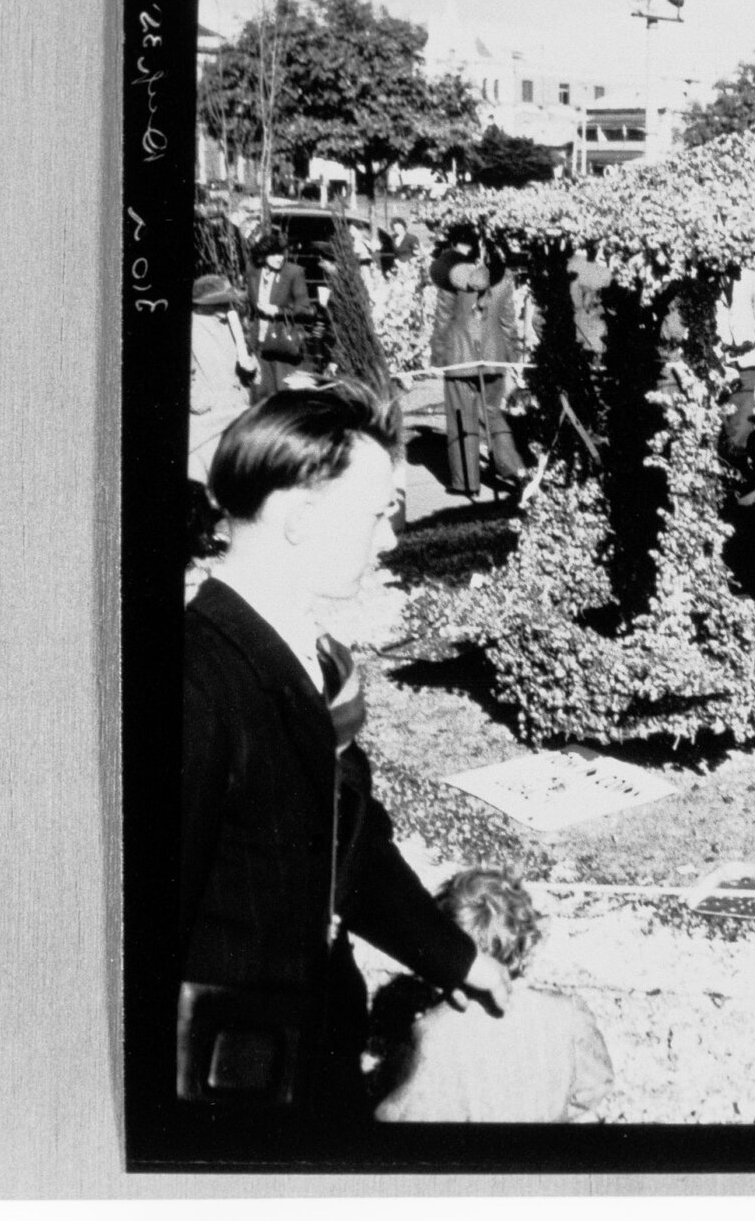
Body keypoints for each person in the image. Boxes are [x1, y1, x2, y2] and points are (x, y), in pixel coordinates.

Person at [180, 384, 513, 1120]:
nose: (390, 539)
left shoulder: (313, 659)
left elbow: (344, 843)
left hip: (316, 1040)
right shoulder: (195, 681)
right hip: (229, 1085)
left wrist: (454, 957)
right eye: (376, 514)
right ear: (300, 518)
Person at [374, 868, 612, 1123]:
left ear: (444, 950)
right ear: (528, 942)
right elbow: (596, 1084)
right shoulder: (568, 1013)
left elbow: (398, 1115)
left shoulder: (434, 1031)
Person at [430, 227, 531, 498]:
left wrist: (437, 357)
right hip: (494, 356)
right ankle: (515, 469)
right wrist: (512, 359)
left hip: (459, 357)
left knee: (461, 417)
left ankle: (466, 482)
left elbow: (443, 320)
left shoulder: (453, 276)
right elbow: (508, 322)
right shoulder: (503, 276)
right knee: (493, 414)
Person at [188, 274, 256, 486]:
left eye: (227, 302)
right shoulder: (193, 328)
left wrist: (250, 367)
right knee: (211, 476)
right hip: (209, 419)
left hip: (238, 409)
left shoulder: (230, 323)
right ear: (203, 305)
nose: (227, 308)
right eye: (220, 303)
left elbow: (245, 362)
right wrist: (203, 401)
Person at [248, 231, 318, 397]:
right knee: (261, 397)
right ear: (263, 255)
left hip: (283, 344)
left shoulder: (293, 273)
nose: (279, 258)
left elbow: (305, 309)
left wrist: (277, 311)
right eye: (273, 254)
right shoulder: (253, 273)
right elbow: (249, 308)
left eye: (281, 253)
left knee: (286, 396)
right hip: (259, 344)